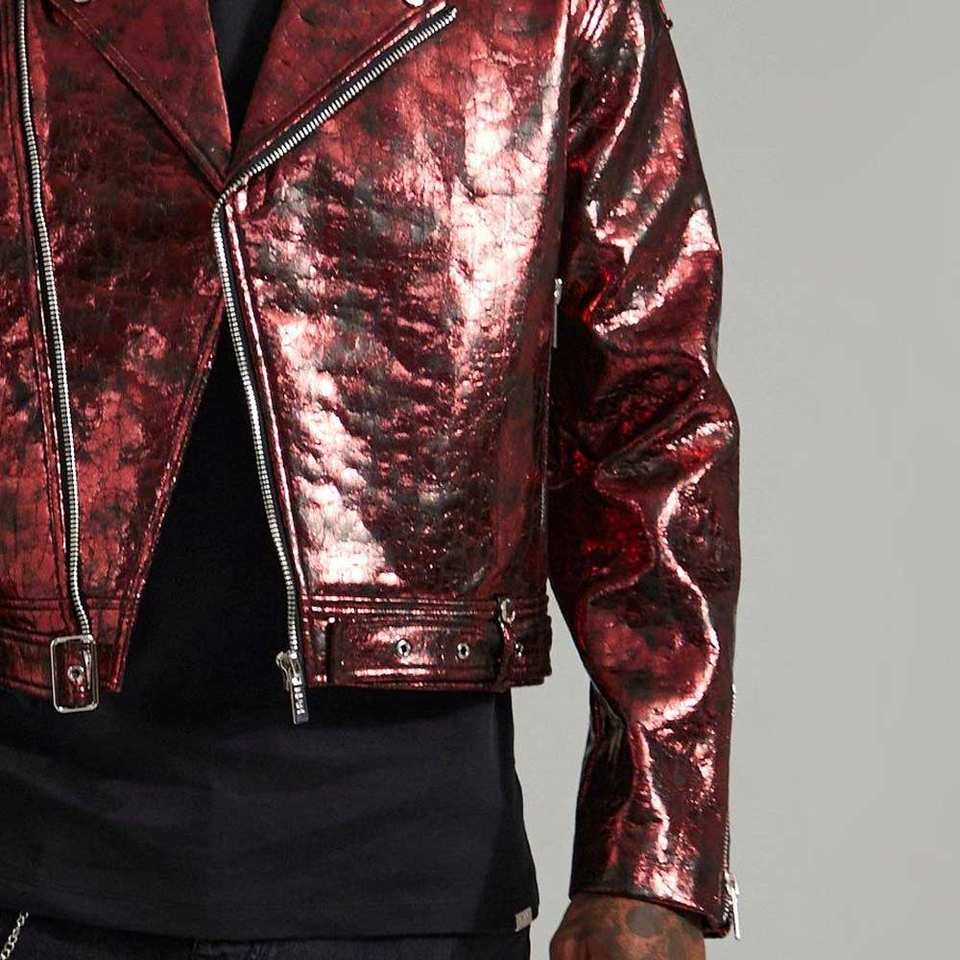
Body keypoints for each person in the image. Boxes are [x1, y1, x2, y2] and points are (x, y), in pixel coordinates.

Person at [0, 1, 740, 958]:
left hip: (412, 881)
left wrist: (652, 849)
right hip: (40, 863)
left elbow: (651, 423)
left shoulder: (559, 11)